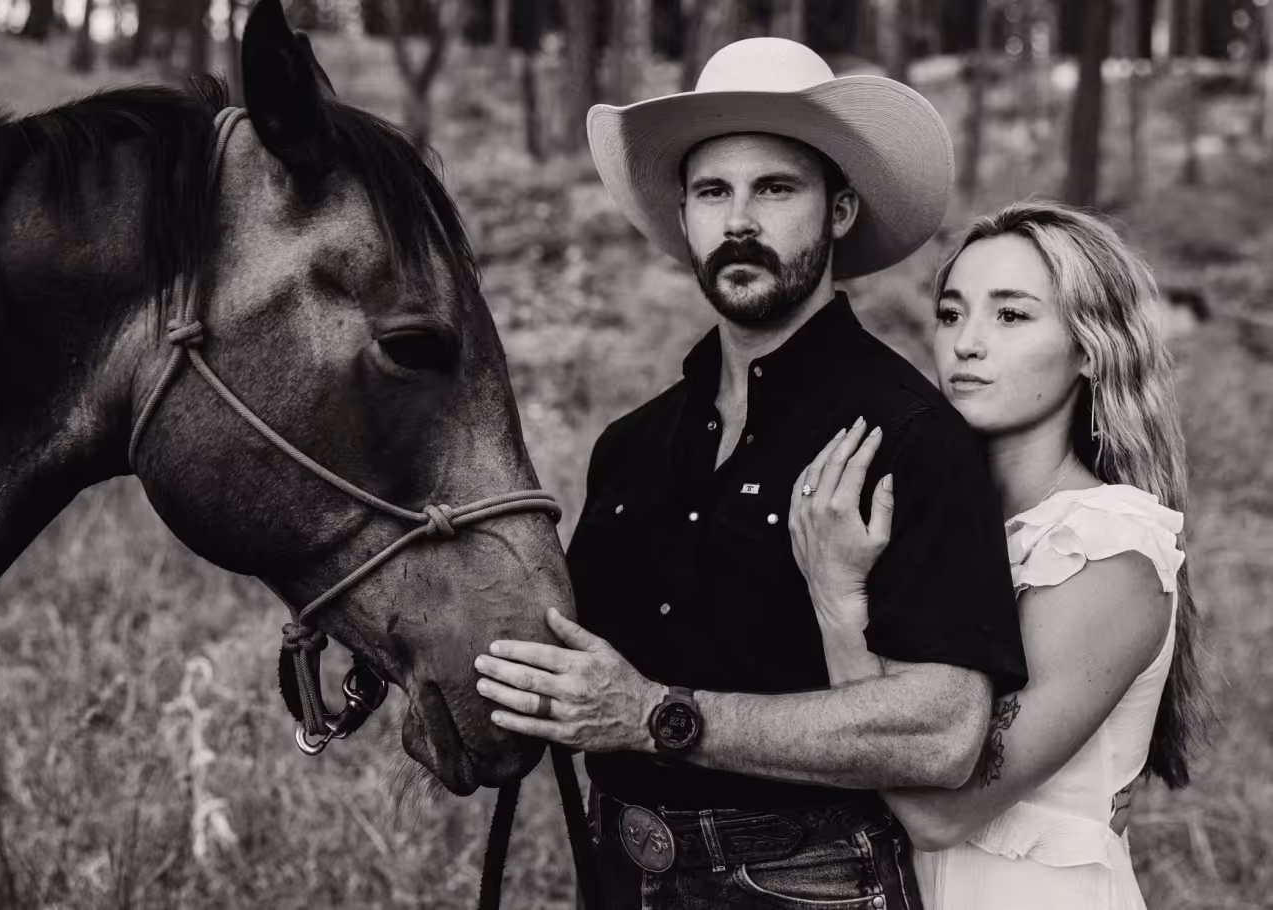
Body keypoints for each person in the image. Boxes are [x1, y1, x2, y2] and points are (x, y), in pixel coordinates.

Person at [471, 37, 1028, 908]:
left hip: (806, 881)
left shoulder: (908, 435)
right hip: (613, 870)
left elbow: (944, 733)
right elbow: (568, 661)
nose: (738, 222)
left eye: (775, 188)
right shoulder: (631, 444)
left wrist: (657, 715)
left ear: (839, 212)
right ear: (685, 217)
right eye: (710, 191)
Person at [793, 201, 1204, 909]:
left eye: (1011, 315)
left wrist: (837, 603)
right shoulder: (930, 520)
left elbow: (937, 812)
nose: (967, 343)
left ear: (1089, 347)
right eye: (952, 314)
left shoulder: (1105, 552)